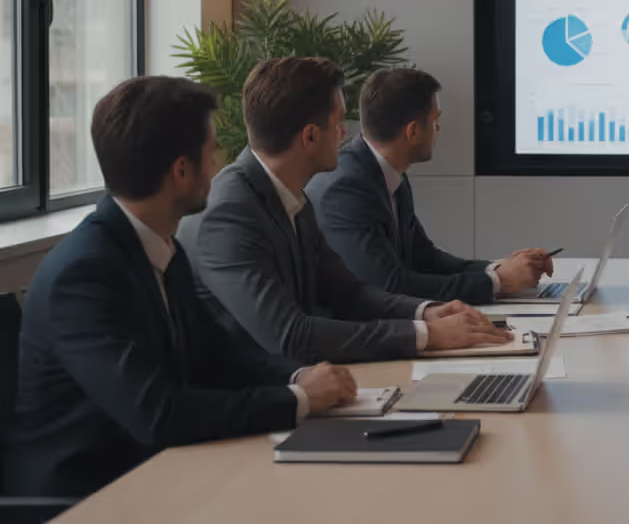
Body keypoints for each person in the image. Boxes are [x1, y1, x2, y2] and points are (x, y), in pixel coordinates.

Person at [4, 77, 357, 498]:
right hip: (87, 497)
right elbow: (158, 413)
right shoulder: (81, 276)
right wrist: (297, 399)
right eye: (210, 155)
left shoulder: (159, 246)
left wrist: (302, 375)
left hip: (161, 470)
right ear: (181, 171)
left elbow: (217, 355)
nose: (217, 167)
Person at [180, 57, 513, 365]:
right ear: (310, 136)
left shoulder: (292, 196)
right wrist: (426, 336)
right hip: (259, 405)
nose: (346, 134)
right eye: (339, 123)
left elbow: (346, 293)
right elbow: (289, 334)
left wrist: (426, 313)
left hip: (307, 384)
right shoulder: (229, 215)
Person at [307, 68, 552, 304]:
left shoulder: (390, 175)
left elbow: (424, 258)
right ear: (413, 131)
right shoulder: (345, 189)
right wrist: (498, 281)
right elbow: (388, 285)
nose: (438, 129)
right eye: (435, 121)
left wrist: (499, 267)